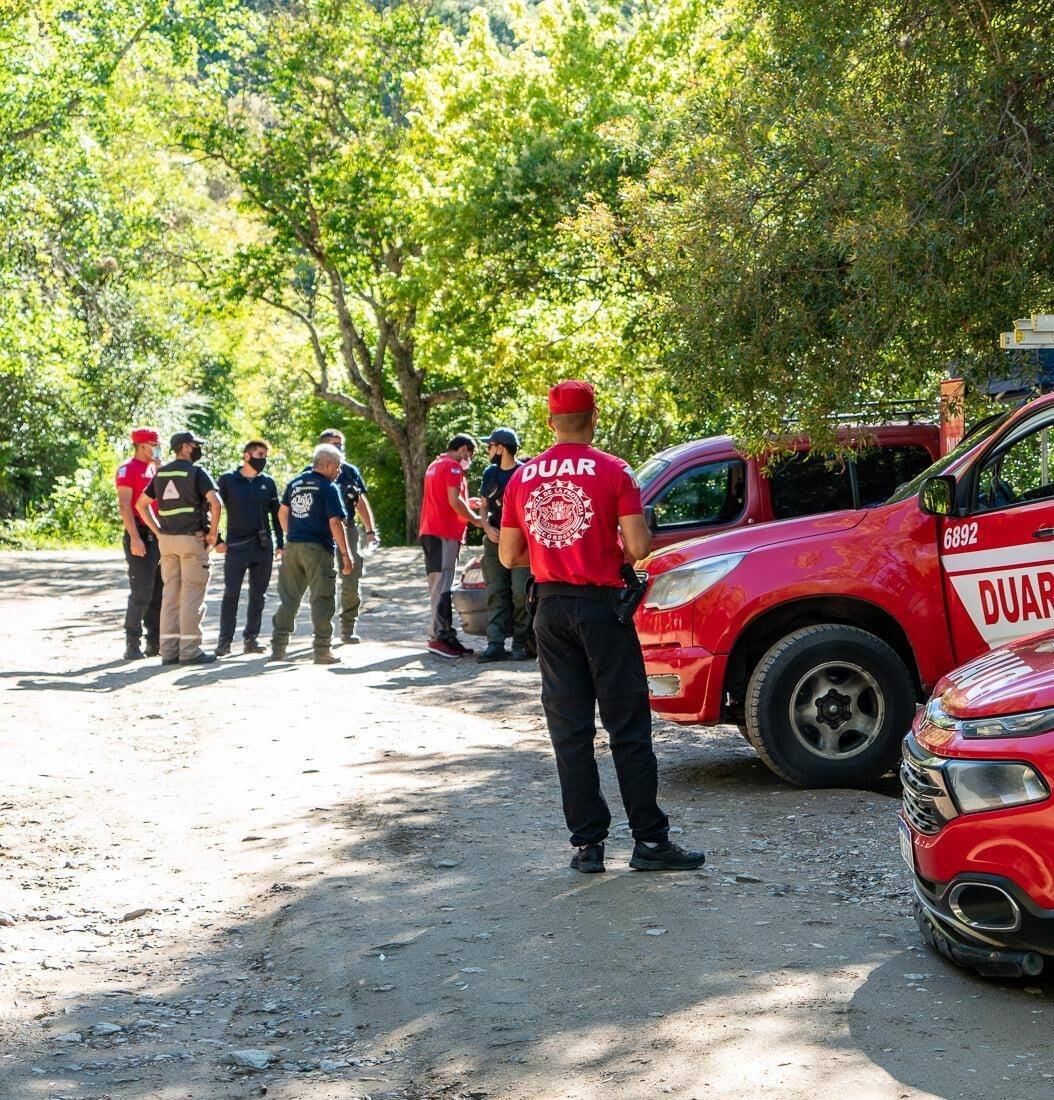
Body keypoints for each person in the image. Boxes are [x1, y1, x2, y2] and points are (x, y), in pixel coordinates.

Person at [499, 380, 705, 875]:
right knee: (627, 728)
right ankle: (650, 842)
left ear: (550, 423)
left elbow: (509, 555)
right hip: (602, 610)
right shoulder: (614, 470)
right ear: (593, 420)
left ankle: (588, 846)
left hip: (549, 610)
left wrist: (552, 551)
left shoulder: (521, 479)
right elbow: (637, 547)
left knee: (569, 731)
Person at [136, 432, 221, 666]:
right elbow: (216, 503)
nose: (198, 449)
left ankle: (169, 651)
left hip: (167, 542)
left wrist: (157, 531)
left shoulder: (162, 473)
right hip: (191, 540)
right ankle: (190, 651)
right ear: (185, 447)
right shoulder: (196, 472)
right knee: (192, 594)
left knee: (170, 596)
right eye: (195, 445)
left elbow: (141, 505)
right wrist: (213, 533)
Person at [270, 443, 353, 665]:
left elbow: (282, 512)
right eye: (337, 467)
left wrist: (293, 534)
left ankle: (278, 649)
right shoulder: (327, 487)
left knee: (289, 598)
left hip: (293, 548)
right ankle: (322, 650)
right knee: (322, 598)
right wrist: (346, 554)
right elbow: (335, 522)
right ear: (327, 464)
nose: (338, 472)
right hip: (317, 549)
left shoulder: (295, 483)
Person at [214, 440, 283, 657]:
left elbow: (276, 515)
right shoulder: (227, 481)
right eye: (259, 454)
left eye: (265, 456)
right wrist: (216, 539)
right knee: (231, 594)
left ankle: (251, 638)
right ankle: (224, 641)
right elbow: (213, 509)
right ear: (246, 455)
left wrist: (281, 543)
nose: (262, 459)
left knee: (258, 595)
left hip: (262, 547)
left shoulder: (267, 482)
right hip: (236, 546)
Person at [419, 433, 484, 658]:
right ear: (463, 449)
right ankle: (439, 636)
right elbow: (454, 501)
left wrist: (469, 502)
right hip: (443, 533)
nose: (469, 459)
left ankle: (445, 633)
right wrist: (476, 520)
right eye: (470, 454)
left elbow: (448, 498)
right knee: (442, 586)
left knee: (438, 584)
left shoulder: (435, 465)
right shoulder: (453, 468)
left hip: (432, 532)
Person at [317, 429, 380, 644]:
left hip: (348, 529)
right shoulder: (311, 473)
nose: (339, 448)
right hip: (321, 533)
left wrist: (370, 531)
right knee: (322, 582)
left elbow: (360, 501)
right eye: (334, 444)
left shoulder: (350, 471)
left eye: (341, 444)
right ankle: (323, 631)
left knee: (351, 580)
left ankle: (347, 628)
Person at [477, 427, 531, 662]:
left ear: (500, 448)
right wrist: (487, 527)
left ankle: (521, 642)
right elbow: (484, 505)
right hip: (494, 541)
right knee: (495, 592)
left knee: (521, 593)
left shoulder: (525, 473)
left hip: (521, 542)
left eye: (491, 445)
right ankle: (495, 643)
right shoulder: (490, 473)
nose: (488, 450)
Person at [115, 427, 163, 660]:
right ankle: (132, 643)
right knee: (142, 590)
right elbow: (126, 505)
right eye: (153, 444)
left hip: (161, 533)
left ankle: (155, 641)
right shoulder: (128, 469)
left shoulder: (157, 468)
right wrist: (134, 537)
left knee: (159, 590)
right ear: (142, 445)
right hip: (141, 533)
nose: (156, 448)